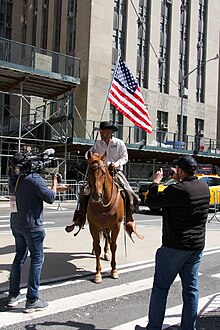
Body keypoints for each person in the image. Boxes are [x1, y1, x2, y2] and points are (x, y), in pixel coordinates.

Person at [146, 155, 210, 330]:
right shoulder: (204, 187)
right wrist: (174, 179)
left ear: (180, 170)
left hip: (174, 246)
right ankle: (189, 327)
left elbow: (152, 203)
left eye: (175, 169)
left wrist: (156, 182)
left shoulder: (178, 190)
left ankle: (154, 327)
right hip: (196, 246)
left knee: (161, 288)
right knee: (191, 289)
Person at [65, 121, 141, 239]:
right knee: (84, 190)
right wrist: (92, 155)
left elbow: (125, 157)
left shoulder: (119, 143)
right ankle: (80, 216)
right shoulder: (98, 144)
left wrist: (116, 164)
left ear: (110, 132)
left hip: (115, 172)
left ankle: (129, 217)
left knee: (129, 191)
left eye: (104, 132)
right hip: (99, 173)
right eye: (101, 132)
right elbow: (87, 155)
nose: (102, 134)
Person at [6, 162, 62, 313]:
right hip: (32, 227)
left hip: (17, 224)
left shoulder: (14, 179)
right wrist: (55, 182)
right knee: (37, 259)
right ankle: (32, 299)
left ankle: (13, 295)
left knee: (19, 257)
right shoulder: (35, 179)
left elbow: (13, 202)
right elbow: (51, 197)